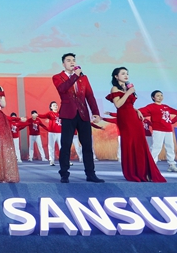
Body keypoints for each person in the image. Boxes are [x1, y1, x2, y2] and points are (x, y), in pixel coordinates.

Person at [106, 67, 166, 182]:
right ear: (116, 76)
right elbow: (118, 105)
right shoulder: (114, 88)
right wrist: (128, 93)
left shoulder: (127, 87)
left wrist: (137, 110)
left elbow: (129, 104)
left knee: (140, 144)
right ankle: (133, 172)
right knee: (129, 143)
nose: (126, 75)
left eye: (127, 73)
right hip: (125, 119)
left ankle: (145, 172)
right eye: (123, 73)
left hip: (134, 117)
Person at [52, 53, 103, 183]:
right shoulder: (57, 77)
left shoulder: (83, 78)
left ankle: (90, 174)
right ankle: (64, 174)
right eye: (69, 60)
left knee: (87, 145)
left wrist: (95, 112)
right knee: (66, 145)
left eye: (73, 60)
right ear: (63, 64)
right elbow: (62, 89)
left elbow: (89, 96)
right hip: (68, 115)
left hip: (83, 114)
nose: (72, 62)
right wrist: (75, 76)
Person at [139, 90, 177, 173]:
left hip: (168, 130)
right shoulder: (151, 106)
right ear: (153, 97)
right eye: (158, 96)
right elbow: (140, 111)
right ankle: (151, 165)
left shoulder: (166, 107)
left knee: (170, 147)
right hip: (158, 130)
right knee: (156, 147)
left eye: (161, 95)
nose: (160, 97)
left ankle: (171, 164)